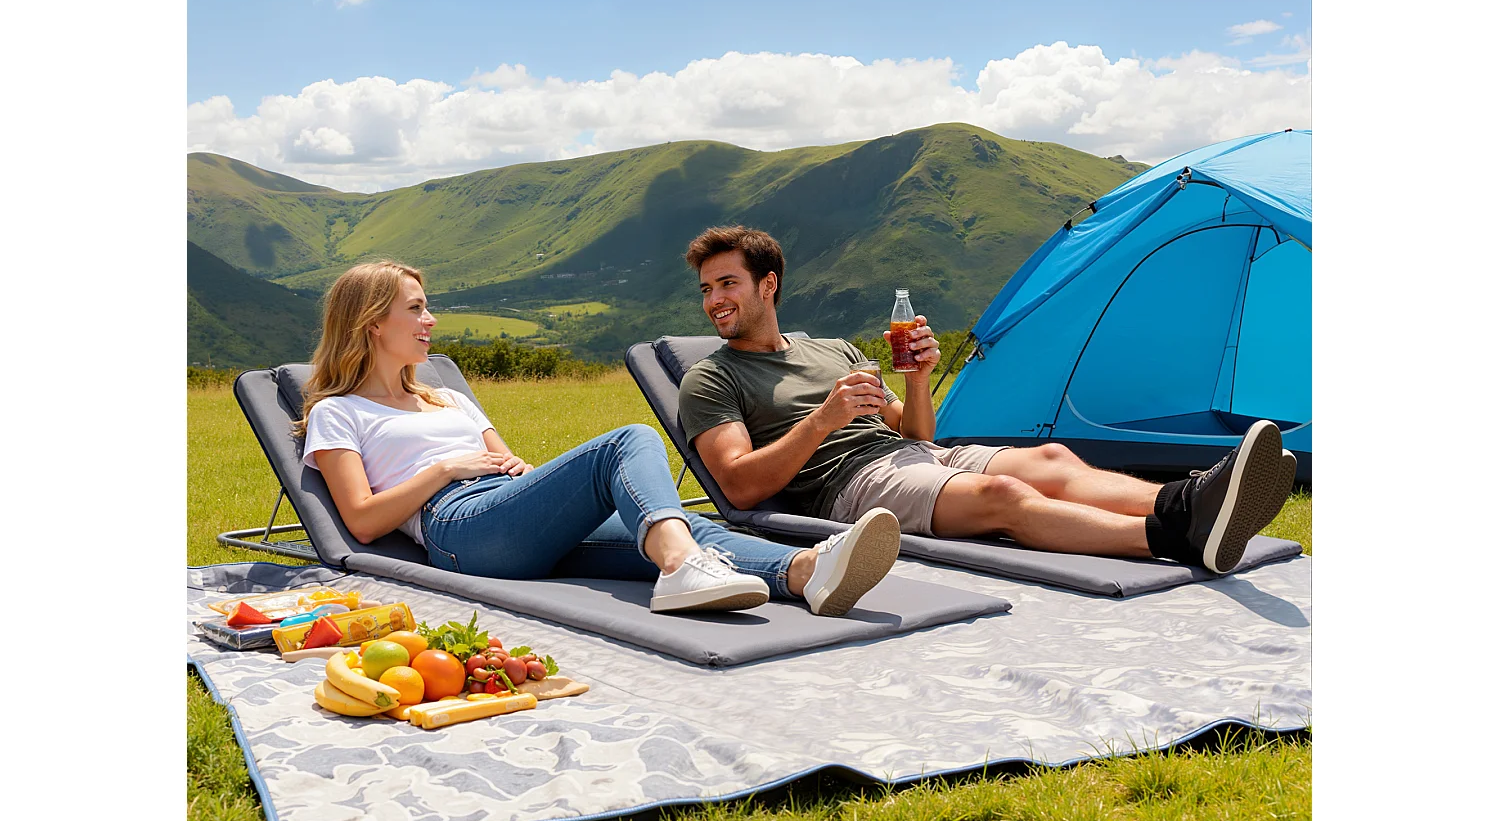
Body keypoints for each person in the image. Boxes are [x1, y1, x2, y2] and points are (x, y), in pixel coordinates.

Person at [293, 260, 901, 616]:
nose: (431, 322)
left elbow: (504, 460)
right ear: (373, 324)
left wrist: (508, 468)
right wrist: (446, 468)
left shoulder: (445, 395)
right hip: (457, 527)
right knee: (626, 441)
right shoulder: (339, 412)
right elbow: (366, 521)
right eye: (417, 310)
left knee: (681, 527)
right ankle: (683, 569)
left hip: (510, 510)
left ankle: (805, 573)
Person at [677, 226, 1296, 575]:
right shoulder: (711, 379)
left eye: (727, 283)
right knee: (1004, 497)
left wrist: (917, 378)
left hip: (913, 457)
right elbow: (736, 487)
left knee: (1051, 457)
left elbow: (917, 434)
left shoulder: (833, 350)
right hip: (849, 487)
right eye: (707, 289)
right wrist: (825, 418)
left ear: (769, 284)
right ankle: (1174, 539)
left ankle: (1188, 500)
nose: (714, 301)